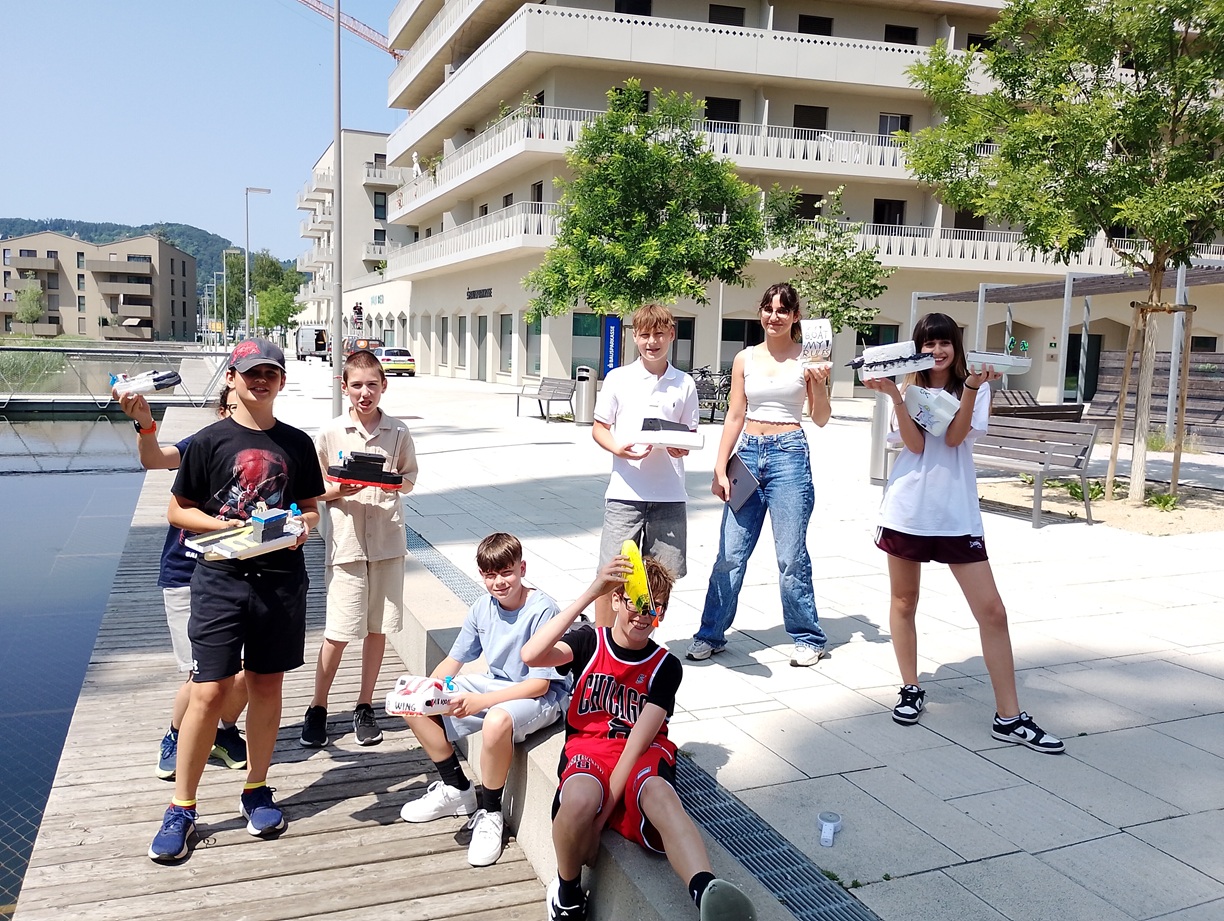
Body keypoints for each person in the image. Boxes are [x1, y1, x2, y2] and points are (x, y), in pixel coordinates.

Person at [147, 338, 324, 862]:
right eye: (250, 373)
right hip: (220, 581)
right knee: (208, 691)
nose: (260, 381)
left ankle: (257, 789)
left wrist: (301, 528)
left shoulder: (296, 442)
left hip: (280, 582)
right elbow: (178, 510)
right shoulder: (208, 441)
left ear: (282, 381)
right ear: (231, 378)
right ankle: (182, 806)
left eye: (270, 373)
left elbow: (310, 508)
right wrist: (220, 525)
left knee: (267, 685)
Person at [862, 312, 1064, 752]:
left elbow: (954, 439)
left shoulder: (977, 386)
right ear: (917, 349)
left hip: (956, 513)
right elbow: (916, 445)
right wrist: (895, 396)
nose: (937, 351)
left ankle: (1009, 717)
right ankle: (910, 687)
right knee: (904, 601)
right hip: (908, 509)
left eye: (944, 343)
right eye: (928, 344)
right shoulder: (907, 388)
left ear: (956, 347)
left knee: (992, 611)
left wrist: (971, 388)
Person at [521, 555, 757, 921]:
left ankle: (707, 892)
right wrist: (592, 592)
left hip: (640, 751)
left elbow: (635, 746)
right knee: (580, 798)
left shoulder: (665, 666)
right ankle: (567, 892)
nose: (645, 615)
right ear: (617, 600)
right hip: (590, 747)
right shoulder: (589, 642)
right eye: (637, 602)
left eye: (656, 606)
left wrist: (598, 825)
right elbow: (531, 655)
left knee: (661, 793)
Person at [397, 532, 568, 867]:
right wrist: (429, 689)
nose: (499, 582)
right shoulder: (482, 607)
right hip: (496, 683)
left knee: (496, 719)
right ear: (481, 575)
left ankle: (491, 812)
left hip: (542, 695)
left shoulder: (543, 610)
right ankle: (457, 790)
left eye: (506, 573)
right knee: (416, 705)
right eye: (490, 575)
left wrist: (482, 703)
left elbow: (539, 685)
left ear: (522, 568)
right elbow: (453, 662)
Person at [686, 282, 831, 667]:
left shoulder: (808, 359)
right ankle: (710, 633)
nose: (774, 316)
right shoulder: (744, 358)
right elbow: (735, 414)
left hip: (789, 457)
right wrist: (720, 466)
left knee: (790, 556)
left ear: (795, 316)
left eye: (783, 310)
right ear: (761, 312)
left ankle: (808, 637)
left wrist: (819, 384)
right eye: (769, 309)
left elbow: (820, 417)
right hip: (748, 454)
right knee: (730, 554)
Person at [113, 384, 249, 780]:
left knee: (245, 670)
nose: (238, 416)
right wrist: (145, 424)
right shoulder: (202, 444)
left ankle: (223, 731)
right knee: (202, 671)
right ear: (222, 410)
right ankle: (175, 734)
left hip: (237, 574)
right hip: (187, 573)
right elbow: (155, 459)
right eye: (232, 408)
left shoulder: (262, 449)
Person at [301, 349, 417, 749]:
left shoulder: (398, 431)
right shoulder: (330, 433)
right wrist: (339, 489)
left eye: (372, 385)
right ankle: (317, 706)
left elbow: (409, 479)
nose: (364, 393)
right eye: (357, 386)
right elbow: (313, 489)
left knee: (377, 628)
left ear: (383, 386)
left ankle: (364, 705)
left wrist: (391, 481)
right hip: (347, 544)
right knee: (337, 630)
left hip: (386, 541)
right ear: (344, 387)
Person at [591, 304, 699, 627]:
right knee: (611, 574)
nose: (652, 341)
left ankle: (643, 642)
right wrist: (618, 448)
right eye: (645, 334)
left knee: (661, 579)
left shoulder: (685, 383)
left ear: (672, 335)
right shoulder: (618, 378)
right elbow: (599, 428)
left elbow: (689, 436)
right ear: (635, 336)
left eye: (659, 334)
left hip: (670, 496)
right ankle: (601, 643)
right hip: (625, 494)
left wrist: (681, 449)